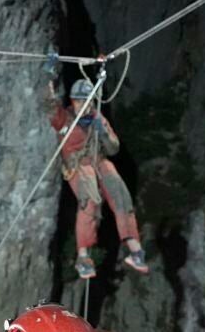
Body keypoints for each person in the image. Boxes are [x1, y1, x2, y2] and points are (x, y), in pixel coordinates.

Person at [46, 74, 149, 280]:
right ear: (73, 101)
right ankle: (83, 256)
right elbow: (50, 105)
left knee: (121, 196)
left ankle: (134, 248)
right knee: (91, 201)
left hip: (99, 160)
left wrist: (104, 134)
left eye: (86, 100)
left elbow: (113, 148)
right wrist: (50, 77)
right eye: (78, 101)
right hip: (79, 165)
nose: (82, 105)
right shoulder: (64, 118)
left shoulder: (96, 118)